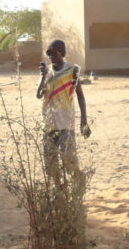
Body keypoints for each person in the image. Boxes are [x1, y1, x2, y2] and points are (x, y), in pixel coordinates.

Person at [36, 39, 90, 179]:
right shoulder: (47, 72)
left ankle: (79, 182)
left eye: (54, 53)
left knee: (69, 159)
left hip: (66, 122)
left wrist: (84, 121)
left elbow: (80, 96)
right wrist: (43, 77)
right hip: (49, 123)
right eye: (49, 54)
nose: (51, 57)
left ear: (61, 54)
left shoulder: (72, 71)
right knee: (50, 164)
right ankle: (59, 190)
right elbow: (39, 95)